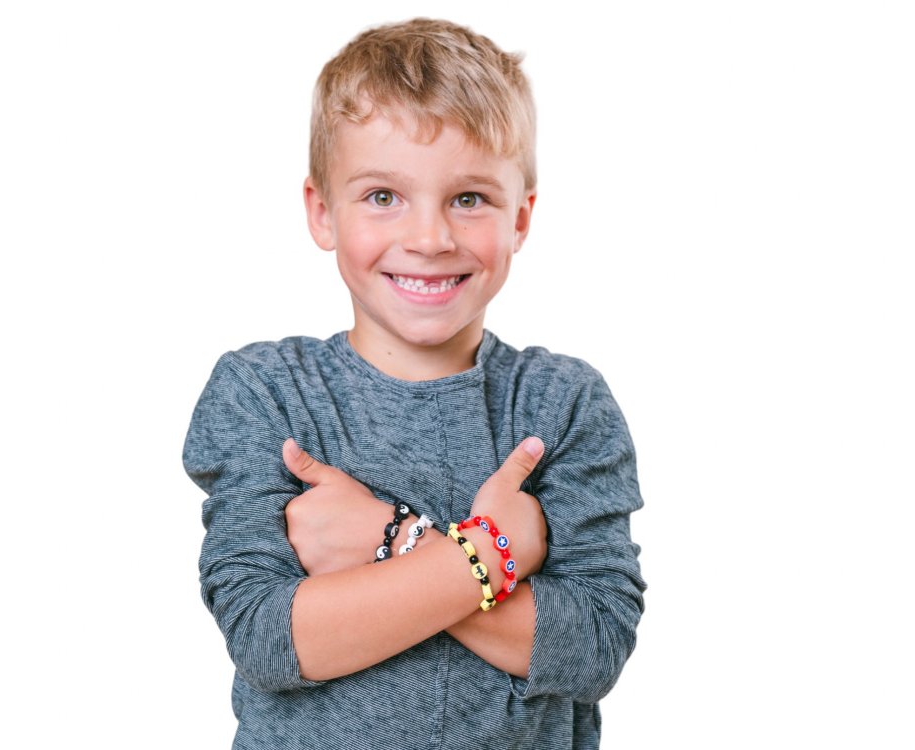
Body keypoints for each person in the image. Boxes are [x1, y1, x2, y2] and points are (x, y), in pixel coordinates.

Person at [183, 18, 645, 749]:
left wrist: (391, 537)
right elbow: (271, 640)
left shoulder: (563, 402)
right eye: (382, 196)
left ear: (521, 218)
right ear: (322, 212)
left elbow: (591, 650)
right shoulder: (263, 392)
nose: (429, 238)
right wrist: (494, 551)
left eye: (469, 198)